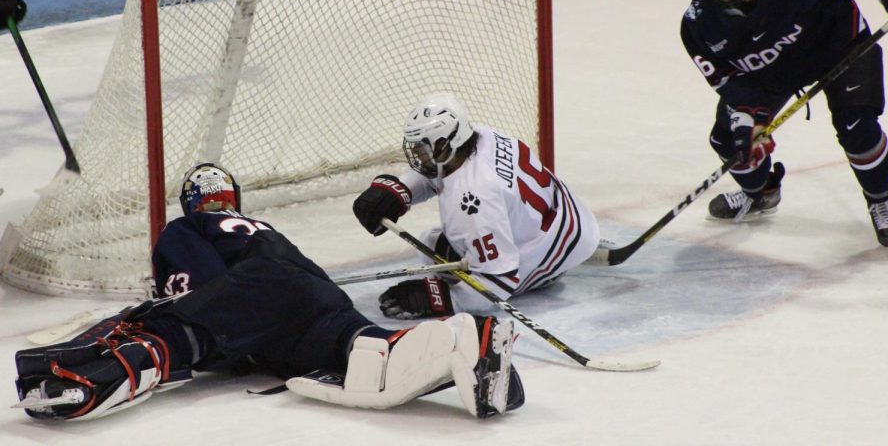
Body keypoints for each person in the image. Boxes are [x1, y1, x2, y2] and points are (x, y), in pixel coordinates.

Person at [13, 163, 524, 421]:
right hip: (313, 293)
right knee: (368, 351)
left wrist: (194, 331)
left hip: (257, 289)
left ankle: (84, 377)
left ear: (194, 203)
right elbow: (294, 283)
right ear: (231, 199)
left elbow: (210, 293)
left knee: (168, 326)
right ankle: (467, 341)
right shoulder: (258, 225)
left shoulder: (184, 229)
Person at [680, 0, 888, 252]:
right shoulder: (698, 24)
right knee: (730, 142)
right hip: (771, 76)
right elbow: (730, 81)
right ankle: (760, 193)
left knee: (857, 127)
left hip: (838, 45)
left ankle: (880, 201)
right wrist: (747, 119)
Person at [352, 93, 603, 319]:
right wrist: (401, 191)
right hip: (565, 211)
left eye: (422, 147)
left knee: (433, 247)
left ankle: (553, 271)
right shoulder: (479, 136)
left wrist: (445, 299)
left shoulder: (473, 198)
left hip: (561, 244)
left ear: (444, 144)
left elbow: (500, 279)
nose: (416, 153)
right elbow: (436, 170)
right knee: (434, 245)